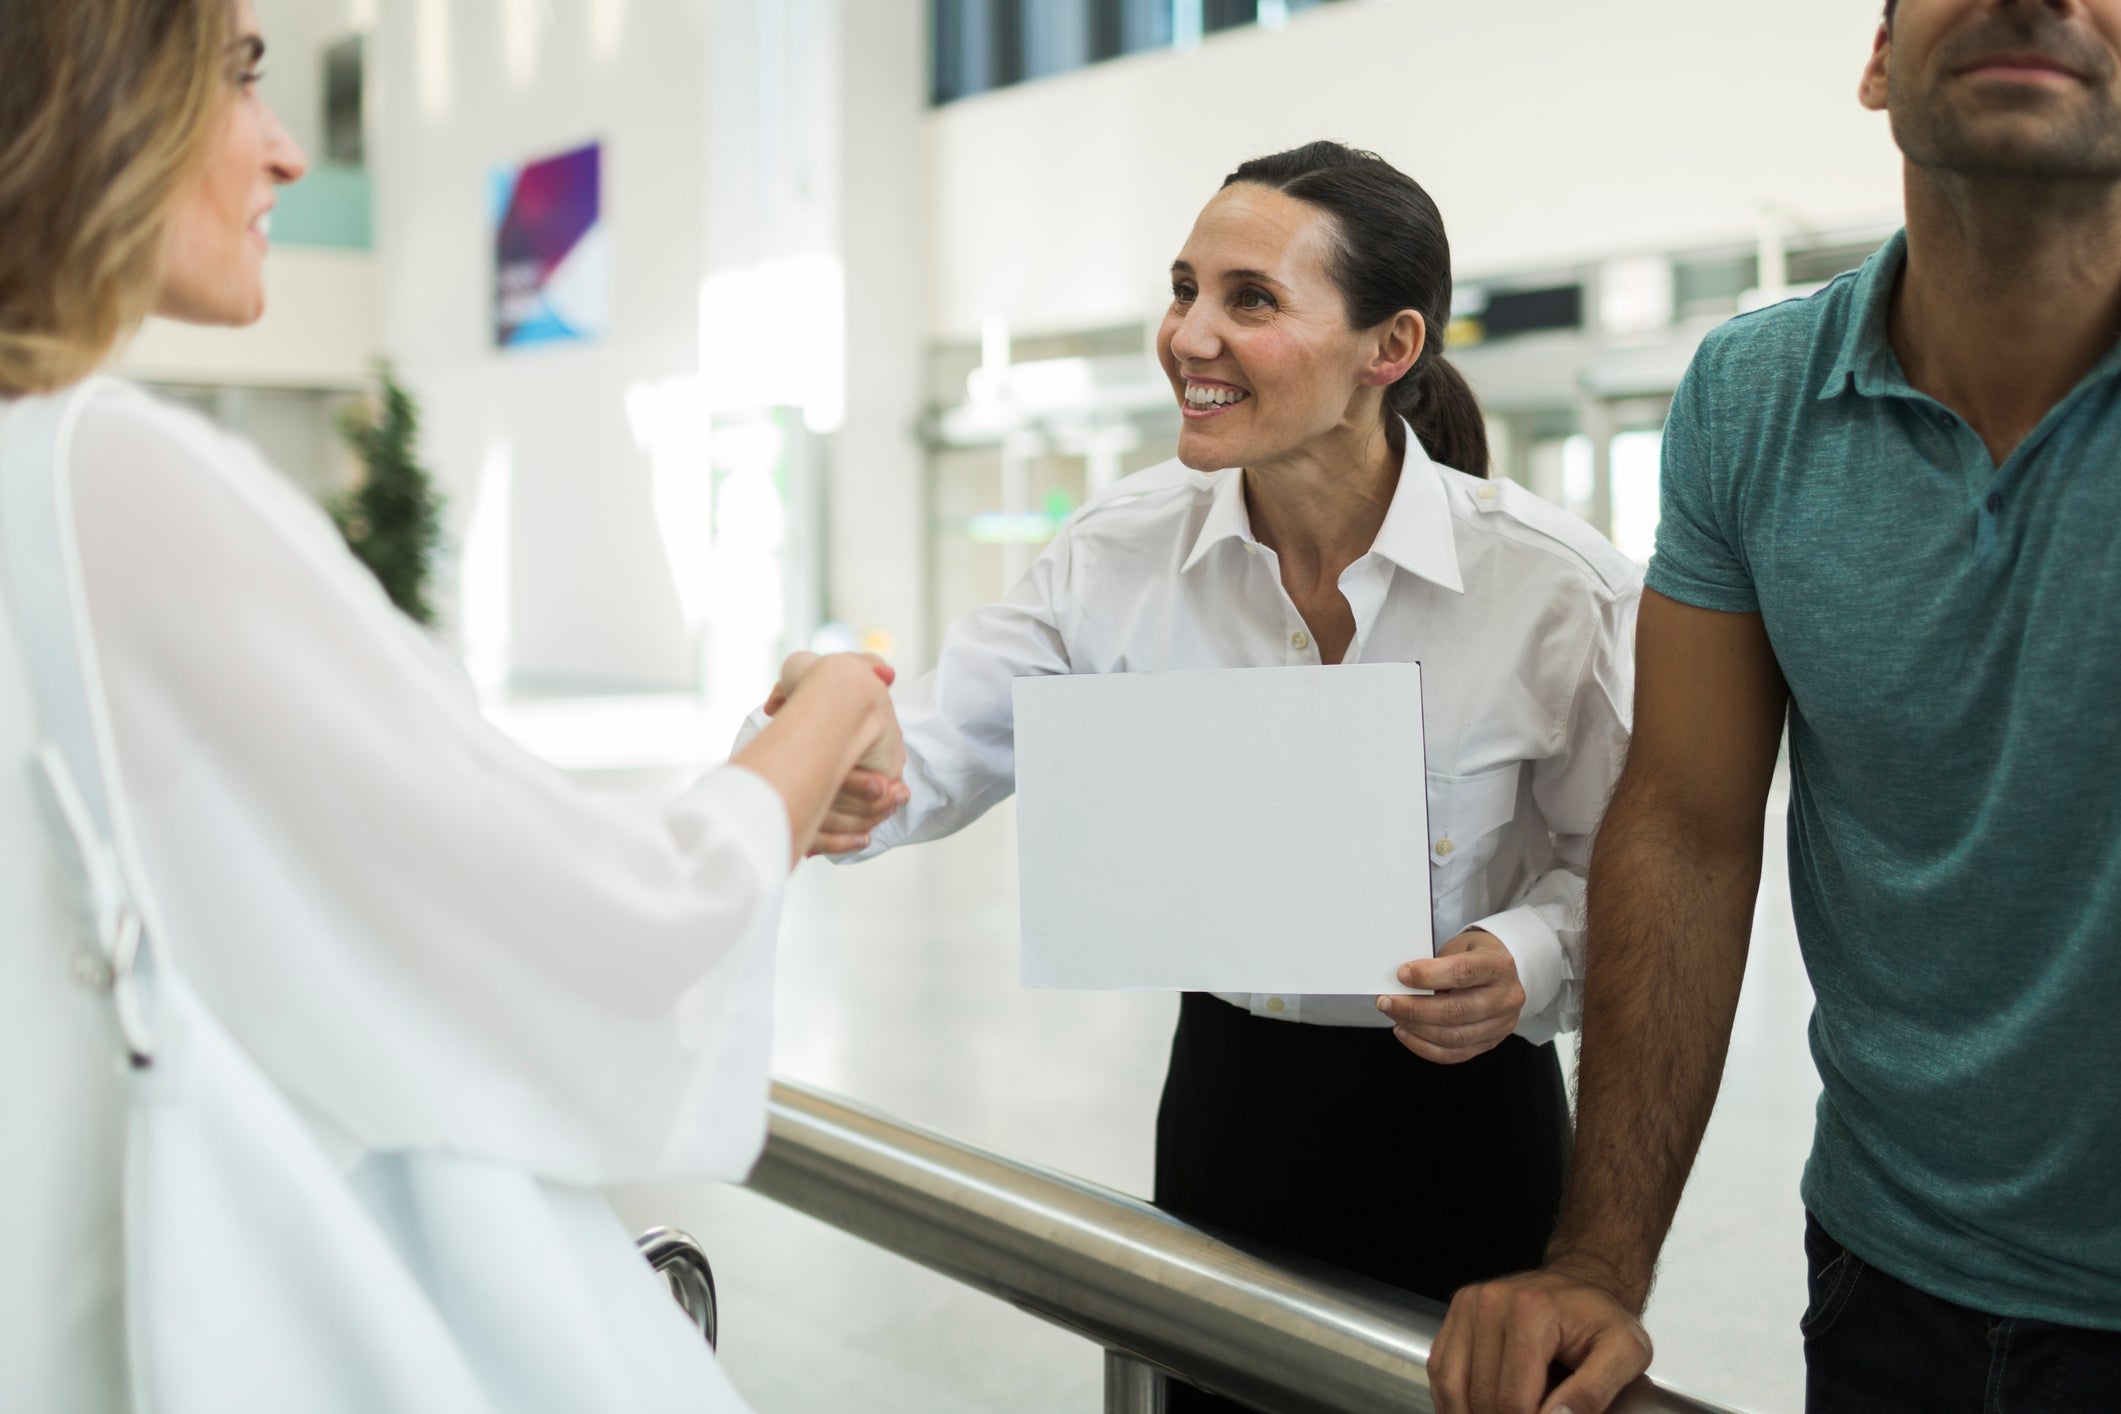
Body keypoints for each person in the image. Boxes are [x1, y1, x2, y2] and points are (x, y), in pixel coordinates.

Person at [0, 2, 904, 1410]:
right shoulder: (103, 474)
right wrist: (837, 694)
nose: (289, 151)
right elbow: (609, 916)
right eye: (241, 75)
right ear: (96, 98)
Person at [767, 140, 1641, 1413]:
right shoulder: (1117, 555)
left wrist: (1528, 956)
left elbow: (1629, 872)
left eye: (1250, 299)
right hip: (1231, 1107)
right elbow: (944, 746)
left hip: (1471, 1127)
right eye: (1183, 288)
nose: (1189, 335)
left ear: (1388, 348)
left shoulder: (1555, 589)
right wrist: (846, 758)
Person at [1428, 3, 2121, 1412]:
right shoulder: (1755, 400)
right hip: (1889, 1278)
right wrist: (1597, 1260)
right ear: (1875, 64)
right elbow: (1685, 822)